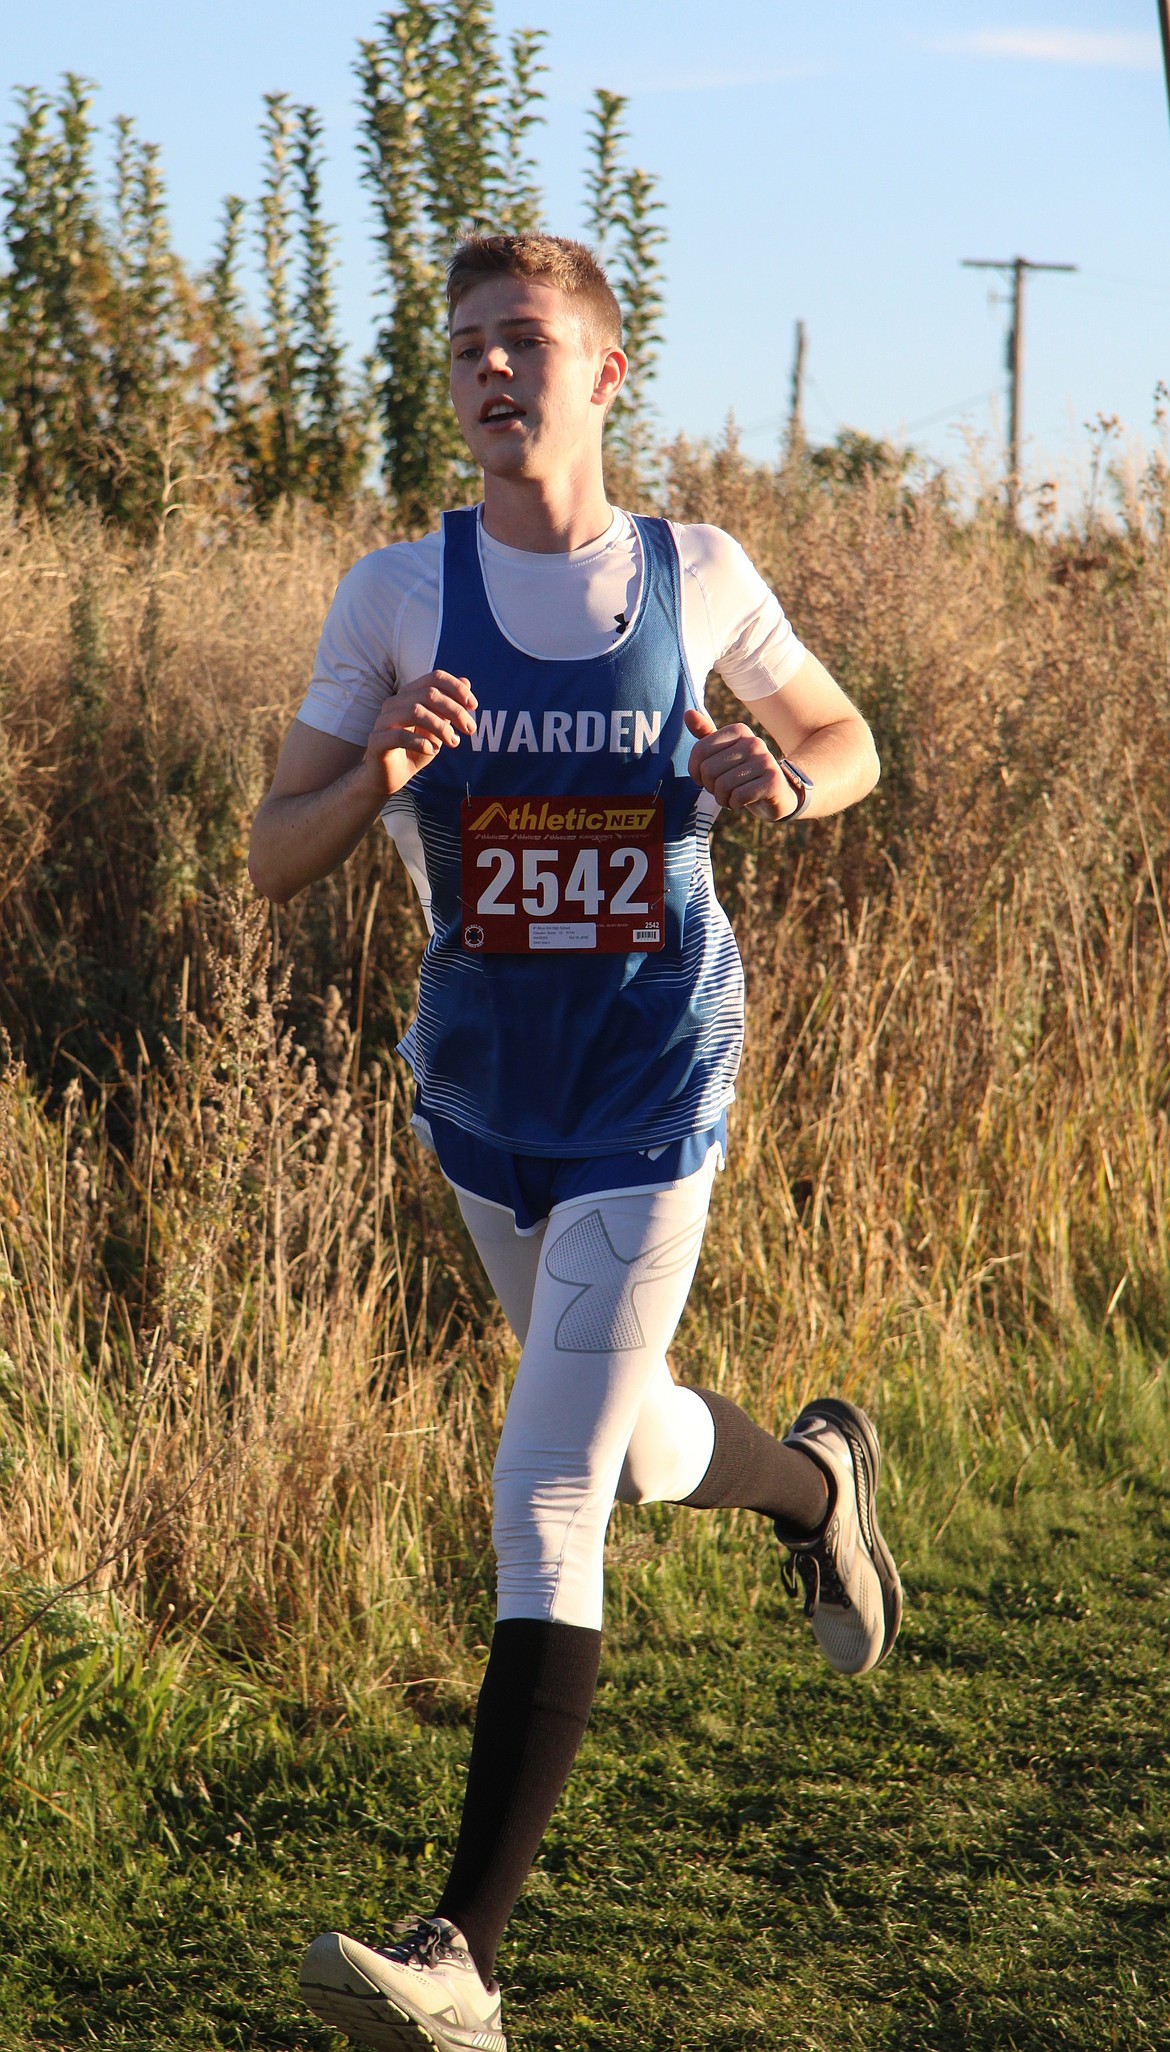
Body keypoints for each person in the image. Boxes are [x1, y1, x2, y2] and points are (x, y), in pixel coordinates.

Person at [248, 232, 901, 2052]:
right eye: (463, 348)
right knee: (614, 1454)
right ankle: (818, 1481)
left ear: (606, 374)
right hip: (478, 1090)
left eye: (525, 342)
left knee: (542, 1485)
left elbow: (846, 743)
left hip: (649, 1080)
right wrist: (378, 769)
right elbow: (269, 858)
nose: (489, 372)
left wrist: (783, 778)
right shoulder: (392, 594)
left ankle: (462, 1954)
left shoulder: (692, 573)